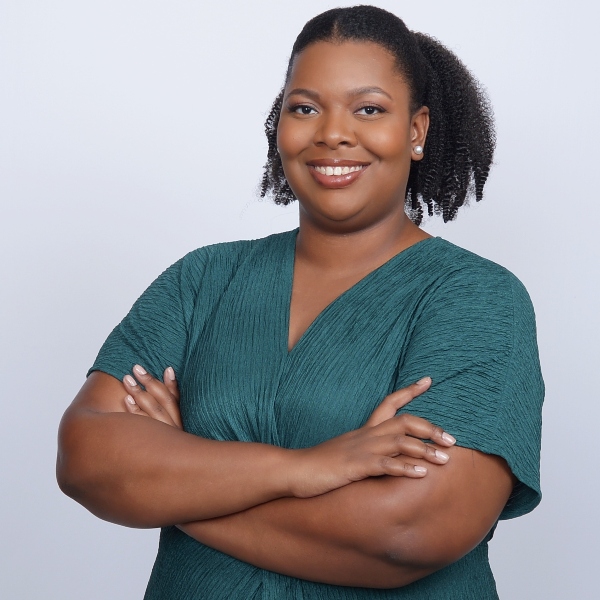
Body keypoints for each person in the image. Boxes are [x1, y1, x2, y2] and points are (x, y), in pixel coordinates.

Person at [57, 5, 544, 599]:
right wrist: (312, 467)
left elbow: (411, 529)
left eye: (369, 109)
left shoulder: (477, 299)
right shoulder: (203, 280)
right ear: (279, 123)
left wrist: (177, 487)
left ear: (416, 131)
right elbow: (85, 458)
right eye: (305, 107)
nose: (332, 132)